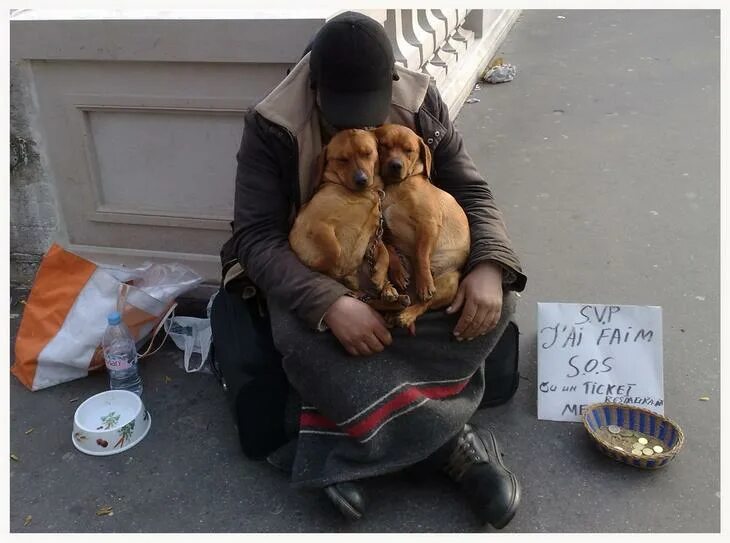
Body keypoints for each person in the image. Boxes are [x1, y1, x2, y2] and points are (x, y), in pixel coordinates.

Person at [211, 11, 527, 528]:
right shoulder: (271, 125)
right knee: (300, 329)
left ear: (392, 83)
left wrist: (491, 265)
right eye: (340, 110)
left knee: (492, 303)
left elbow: (471, 190)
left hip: (399, 262)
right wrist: (328, 301)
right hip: (313, 268)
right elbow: (255, 237)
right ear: (315, 87)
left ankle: (351, 444)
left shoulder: (419, 103)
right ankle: (447, 443)